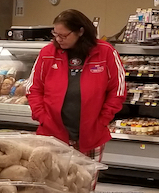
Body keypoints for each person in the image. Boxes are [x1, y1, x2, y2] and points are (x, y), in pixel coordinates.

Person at [27, 9, 127, 161]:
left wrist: (103, 120)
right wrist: (42, 117)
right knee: (53, 183)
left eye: (63, 35)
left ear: (80, 31)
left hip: (92, 135)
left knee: (85, 183)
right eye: (55, 34)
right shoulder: (47, 53)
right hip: (52, 135)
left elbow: (117, 90)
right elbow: (33, 88)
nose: (58, 39)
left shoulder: (106, 52)